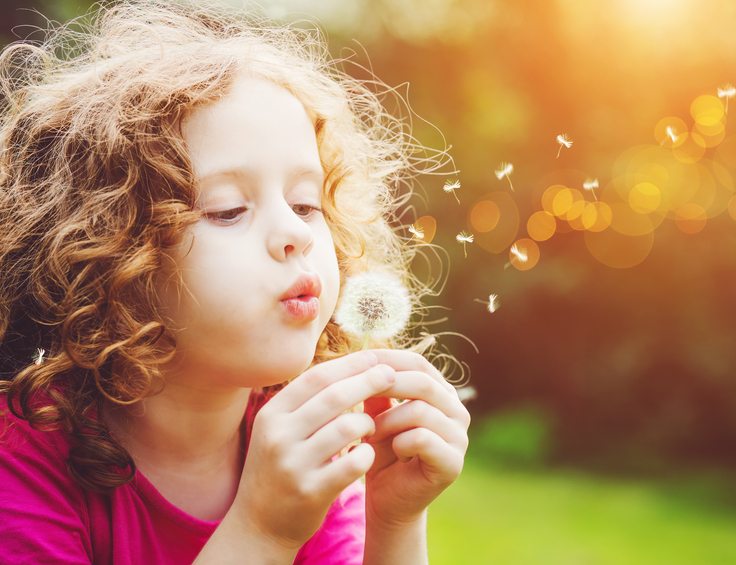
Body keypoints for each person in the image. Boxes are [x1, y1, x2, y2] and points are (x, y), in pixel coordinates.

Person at [0, 1, 470, 563]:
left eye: (305, 202)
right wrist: (263, 530)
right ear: (106, 256)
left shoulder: (311, 447)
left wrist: (394, 516)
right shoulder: (20, 460)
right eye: (227, 210)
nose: (293, 233)